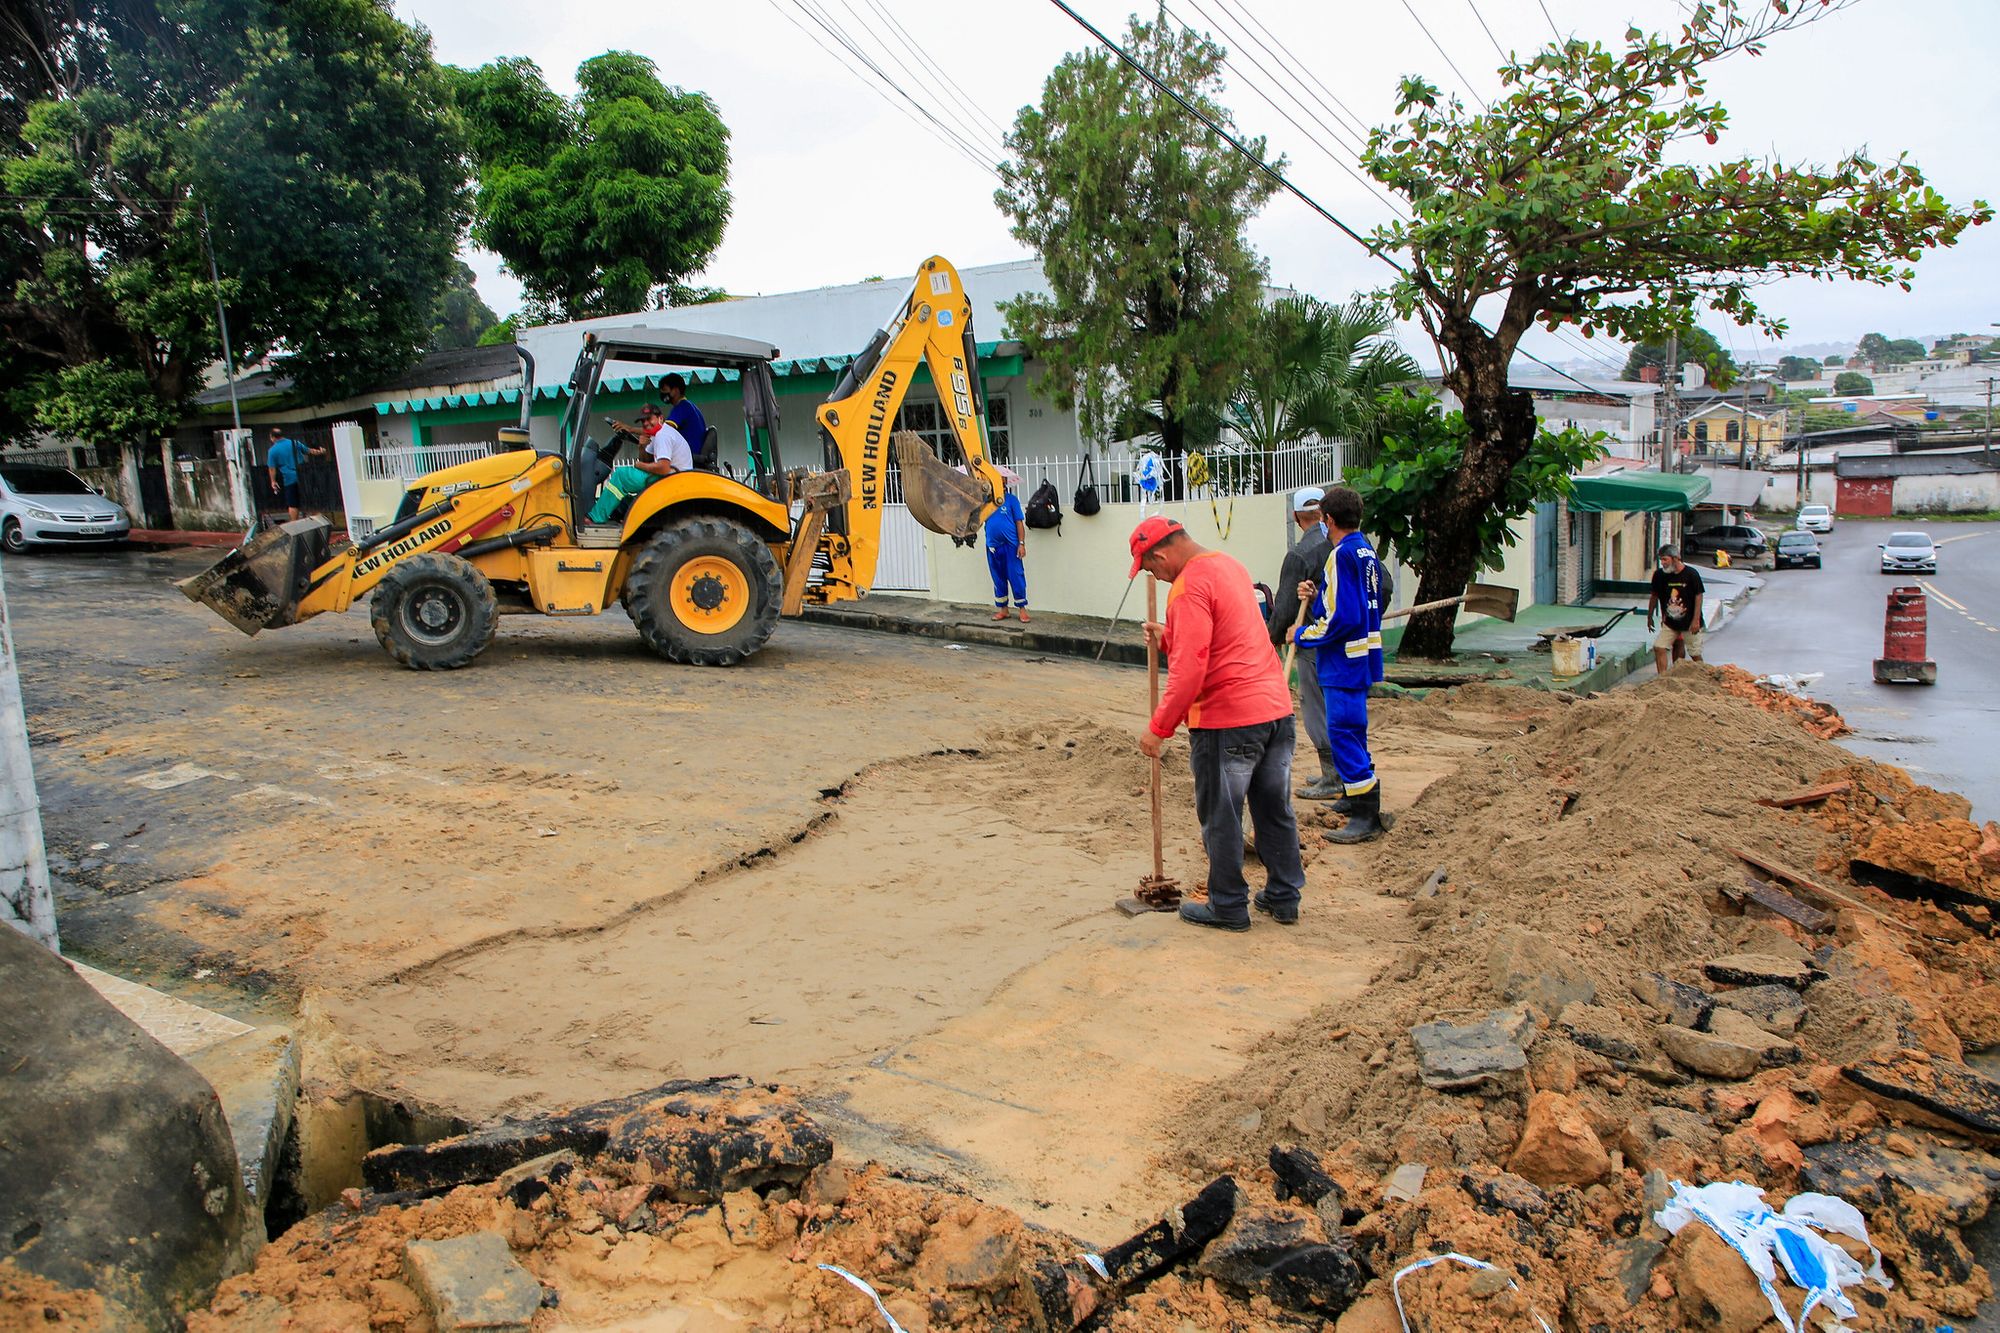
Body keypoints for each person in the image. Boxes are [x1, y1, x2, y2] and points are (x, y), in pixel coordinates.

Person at [1132, 516, 1306, 931]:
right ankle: (1284, 897)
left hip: (1227, 720)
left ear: (1161, 555)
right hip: (1275, 713)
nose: (1154, 576)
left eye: (1150, 567)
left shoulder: (1186, 588)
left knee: (1222, 815)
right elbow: (1226, 637)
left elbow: (1190, 671)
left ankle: (1227, 905)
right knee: (1274, 809)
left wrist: (1158, 728)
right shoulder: (1230, 566)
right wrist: (1169, 635)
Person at [1295, 486, 1388, 844]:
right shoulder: (1365, 551)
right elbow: (1349, 602)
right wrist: (1319, 596)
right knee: (1353, 730)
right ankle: (1353, 794)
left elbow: (1342, 618)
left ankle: (1366, 814)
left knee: (1343, 731)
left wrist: (1302, 634)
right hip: (1362, 656)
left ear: (1329, 520)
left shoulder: (1340, 555)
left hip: (1343, 660)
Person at [1268, 487, 1337, 800]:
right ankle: (1341, 773)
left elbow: (1284, 607)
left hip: (1313, 643)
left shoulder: (1301, 554)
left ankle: (1332, 776)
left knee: (1316, 708)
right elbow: (1384, 585)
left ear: (1296, 517)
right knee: (1339, 707)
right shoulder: (1346, 543)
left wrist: (1271, 638)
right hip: (1345, 643)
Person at [589, 405, 691, 523]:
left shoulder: (663, 436)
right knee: (626, 495)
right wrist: (642, 446)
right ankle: (621, 515)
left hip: (671, 479)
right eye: (643, 421)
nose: (646, 423)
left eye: (649, 419)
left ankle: (595, 518)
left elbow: (663, 468)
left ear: (660, 418)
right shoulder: (657, 434)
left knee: (621, 475)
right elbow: (647, 460)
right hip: (670, 477)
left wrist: (639, 465)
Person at [1648, 543, 1705, 673]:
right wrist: (1649, 616)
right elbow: (1654, 596)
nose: (1662, 563)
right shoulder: (1659, 575)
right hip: (1670, 623)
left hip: (1689, 623)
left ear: (1675, 558)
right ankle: (1662, 678)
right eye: (1661, 560)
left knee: (1695, 653)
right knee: (1659, 647)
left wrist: (1696, 620)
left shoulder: (1691, 574)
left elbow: (1698, 596)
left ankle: (1705, 676)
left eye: (1665, 559)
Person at [983, 477, 1029, 622]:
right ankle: (1003, 610)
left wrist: (1021, 544)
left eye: (1000, 482)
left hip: (1011, 546)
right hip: (992, 547)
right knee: (998, 578)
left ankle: (1022, 610)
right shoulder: (986, 502)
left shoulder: (1011, 500)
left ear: (1004, 484)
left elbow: (1019, 523)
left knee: (1016, 576)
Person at [265, 427, 326, 521]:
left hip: (289, 479)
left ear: (272, 437)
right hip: (304, 476)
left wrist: (273, 481)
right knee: (310, 500)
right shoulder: (294, 443)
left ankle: (294, 524)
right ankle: (319, 521)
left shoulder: (272, 451)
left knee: (293, 504)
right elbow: (309, 451)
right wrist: (320, 452)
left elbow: (272, 468)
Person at [662, 374, 707, 464]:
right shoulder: (689, 405)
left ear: (675, 390)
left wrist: (633, 430)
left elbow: (664, 430)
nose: (662, 393)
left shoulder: (682, 407)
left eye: (664, 389)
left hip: (688, 456)